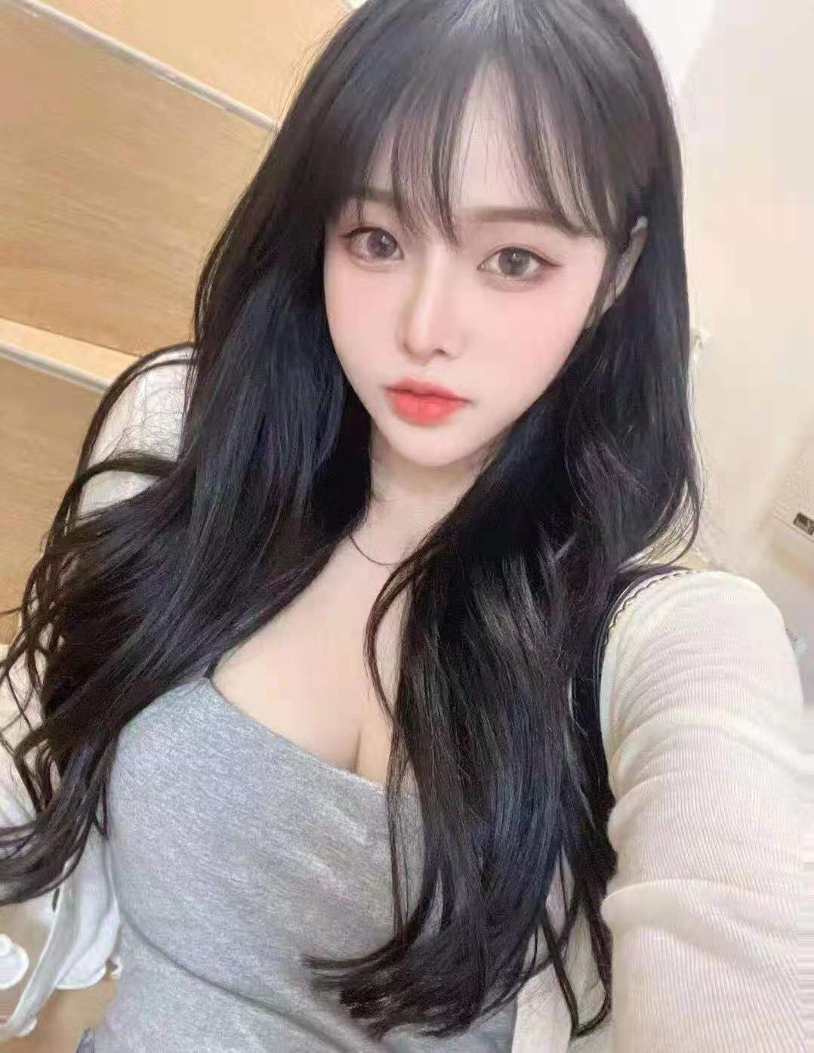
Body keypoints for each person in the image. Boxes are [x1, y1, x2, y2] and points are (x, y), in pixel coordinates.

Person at [0, 0, 803, 1050]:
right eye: (377, 239)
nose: (426, 329)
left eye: (514, 259)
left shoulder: (671, 636)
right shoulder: (186, 436)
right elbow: (30, 743)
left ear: (616, 271)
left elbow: (747, 949)